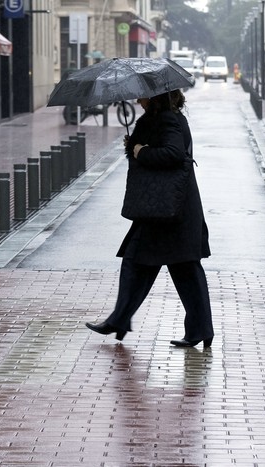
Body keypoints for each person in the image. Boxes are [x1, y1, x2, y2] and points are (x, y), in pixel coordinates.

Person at [85, 89, 214, 348]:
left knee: (178, 267)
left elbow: (173, 154)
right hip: (164, 209)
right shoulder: (160, 119)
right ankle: (121, 320)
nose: (137, 100)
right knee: (143, 262)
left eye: (142, 96)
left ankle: (198, 330)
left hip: (171, 210)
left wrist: (141, 151)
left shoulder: (169, 120)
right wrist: (133, 144)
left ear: (155, 98)